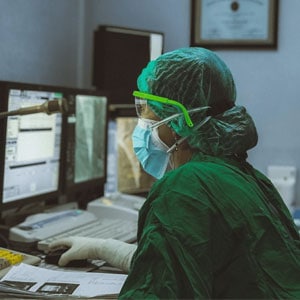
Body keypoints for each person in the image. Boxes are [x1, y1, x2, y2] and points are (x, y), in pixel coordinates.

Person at [49, 47, 300, 299]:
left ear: (177, 120)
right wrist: (103, 248)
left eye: (145, 108)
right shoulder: (245, 176)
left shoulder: (185, 187)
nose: (141, 120)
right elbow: (191, 265)